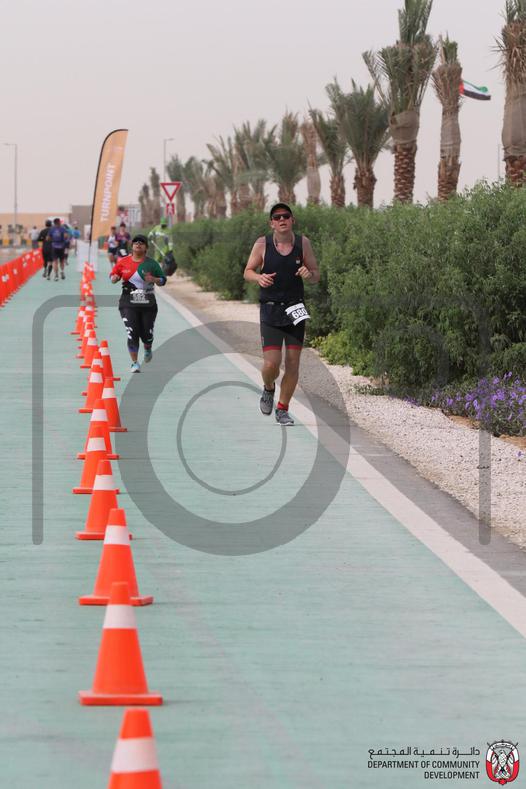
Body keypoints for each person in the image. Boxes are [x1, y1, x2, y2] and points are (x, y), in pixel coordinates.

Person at [243, 202, 320, 425]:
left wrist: (309, 274)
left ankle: (282, 409)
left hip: (295, 308)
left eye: (286, 216)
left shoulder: (303, 243)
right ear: (272, 223)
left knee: (293, 363)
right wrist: (259, 278)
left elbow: (316, 275)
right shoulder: (262, 244)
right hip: (270, 309)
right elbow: (247, 271)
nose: (282, 220)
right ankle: (268, 388)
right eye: (277, 217)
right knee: (271, 365)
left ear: (292, 220)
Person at [109, 234, 168, 373]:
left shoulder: (152, 264)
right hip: (127, 302)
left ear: (146, 247)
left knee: (147, 334)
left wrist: (154, 279)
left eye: (142, 242)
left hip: (148, 303)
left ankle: (147, 347)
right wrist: (114, 278)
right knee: (132, 332)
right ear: (132, 246)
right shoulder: (123, 262)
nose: (138, 244)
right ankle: (134, 363)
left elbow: (163, 280)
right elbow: (112, 276)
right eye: (136, 242)